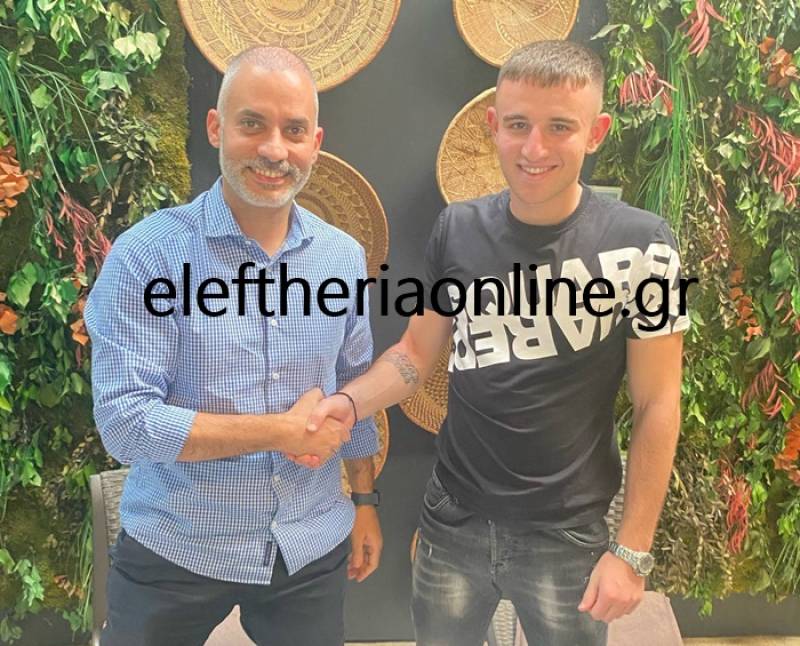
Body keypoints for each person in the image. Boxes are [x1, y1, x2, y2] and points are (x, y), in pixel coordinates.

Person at [305, 40, 689, 646]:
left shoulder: (645, 247)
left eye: (559, 127)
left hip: (568, 534)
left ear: (595, 133)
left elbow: (658, 403)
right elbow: (413, 357)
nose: (534, 149)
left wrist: (633, 551)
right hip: (453, 519)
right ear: (493, 127)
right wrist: (348, 404)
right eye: (518, 125)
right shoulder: (457, 229)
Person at [85, 46, 383, 646]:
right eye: (252, 123)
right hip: (177, 545)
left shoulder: (342, 258)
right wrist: (279, 431)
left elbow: (354, 390)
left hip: (309, 542)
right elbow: (125, 426)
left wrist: (365, 498)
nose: (274, 149)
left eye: (293, 130)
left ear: (315, 143)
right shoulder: (148, 256)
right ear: (216, 127)